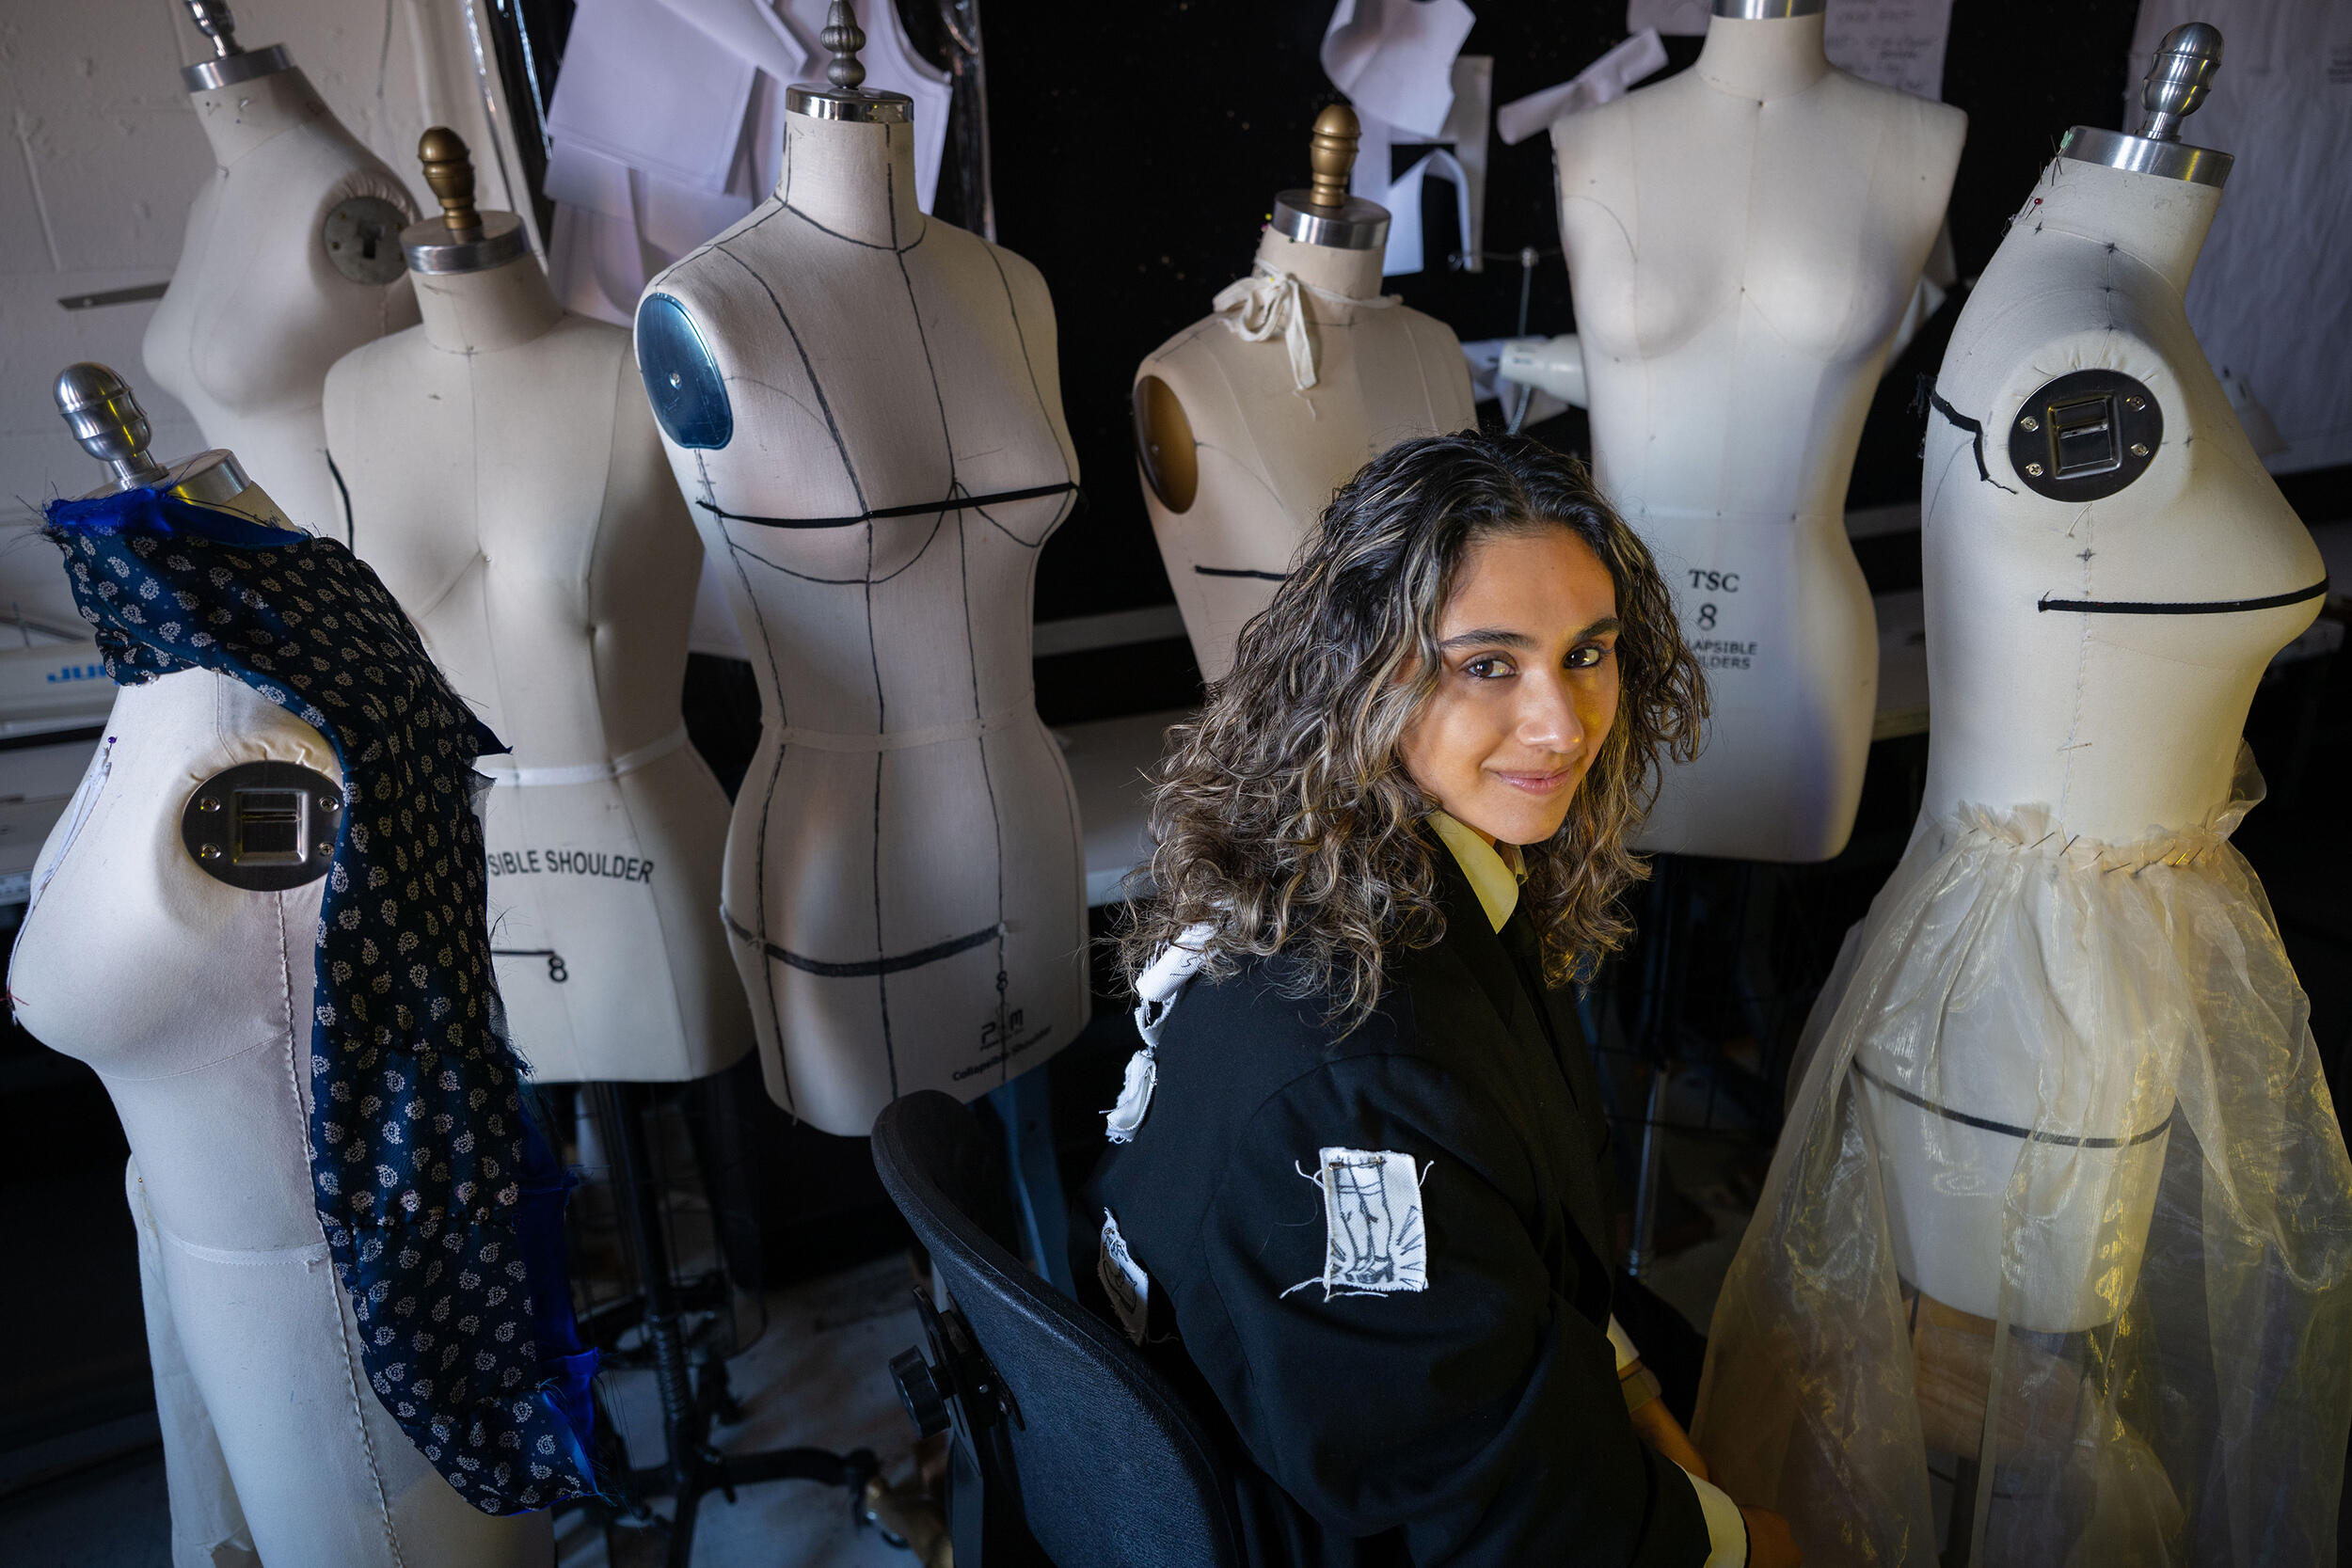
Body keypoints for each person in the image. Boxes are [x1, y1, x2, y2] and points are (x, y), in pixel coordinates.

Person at [1087, 434, 1800, 1566]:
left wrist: (1628, 1385)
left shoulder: (1390, 881)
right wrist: (1740, 1545)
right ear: (1359, 672)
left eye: (1586, 653)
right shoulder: (1362, 1078)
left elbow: (1495, 1284)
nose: (1564, 723)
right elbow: (1495, 1508)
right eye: (1487, 664)